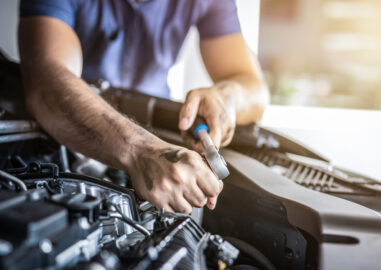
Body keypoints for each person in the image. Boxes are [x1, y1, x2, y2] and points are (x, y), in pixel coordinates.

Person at [18, 0, 269, 214]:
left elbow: (254, 88)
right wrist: (139, 150)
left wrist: (227, 96)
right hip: (68, 137)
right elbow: (46, 81)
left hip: (154, 138)